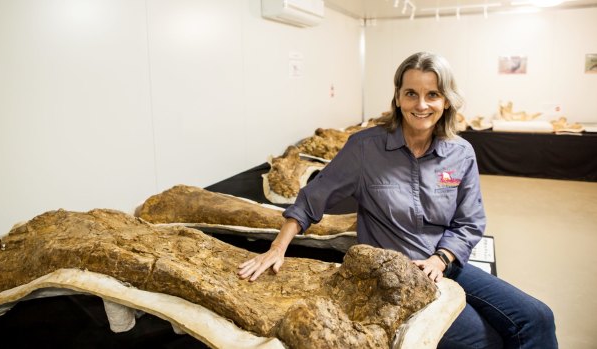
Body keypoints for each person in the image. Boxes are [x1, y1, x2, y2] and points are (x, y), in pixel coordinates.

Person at [238, 52, 557, 348]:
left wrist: (441, 258)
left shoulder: (460, 153)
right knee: (486, 340)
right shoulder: (365, 148)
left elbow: (469, 222)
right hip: (391, 279)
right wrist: (276, 249)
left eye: (432, 94)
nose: (421, 104)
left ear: (446, 100)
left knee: (537, 317)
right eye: (411, 94)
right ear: (398, 98)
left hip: (444, 265)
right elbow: (312, 198)